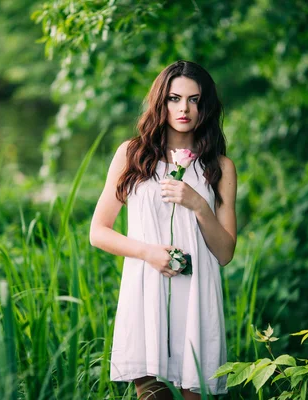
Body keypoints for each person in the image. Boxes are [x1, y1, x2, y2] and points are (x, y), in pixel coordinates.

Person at [89, 60, 237, 399]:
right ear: (161, 101)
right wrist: (149, 253)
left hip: (197, 298)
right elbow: (99, 231)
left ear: (206, 106)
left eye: (194, 99)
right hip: (147, 293)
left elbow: (226, 253)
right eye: (174, 98)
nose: (184, 108)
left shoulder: (221, 167)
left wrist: (198, 204)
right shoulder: (132, 155)